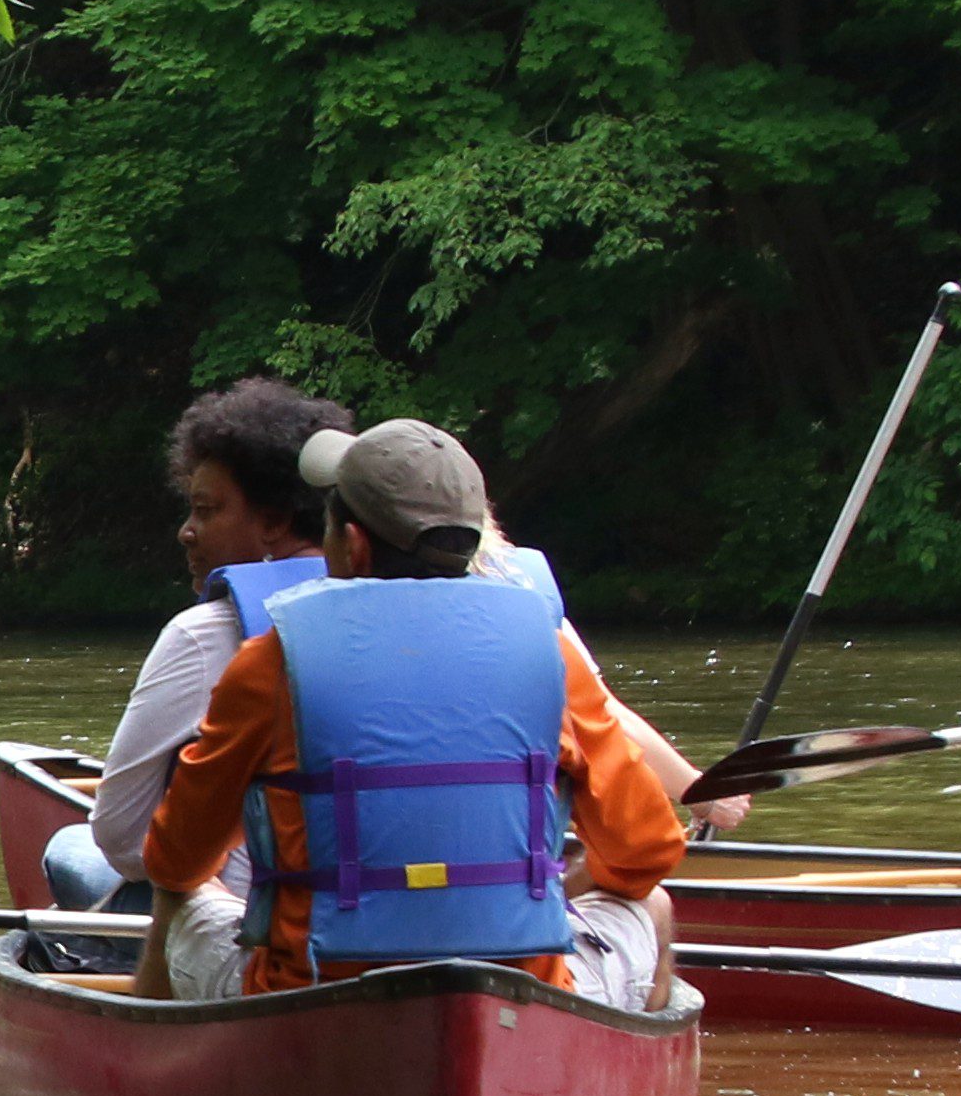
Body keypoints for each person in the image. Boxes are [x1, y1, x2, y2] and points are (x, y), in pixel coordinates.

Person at [135, 419, 688, 1004]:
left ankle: (139, 1077)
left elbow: (175, 859)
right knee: (651, 905)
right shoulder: (552, 656)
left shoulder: (271, 661)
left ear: (352, 545)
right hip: (518, 994)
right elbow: (646, 851)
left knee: (178, 896)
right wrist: (541, 894)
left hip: (311, 992)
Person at [45, 378, 355, 913]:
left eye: (207, 510)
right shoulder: (391, 615)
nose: (186, 532)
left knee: (71, 848)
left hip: (253, 923)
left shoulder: (204, 635)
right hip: (387, 911)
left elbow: (121, 839)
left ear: (275, 521)